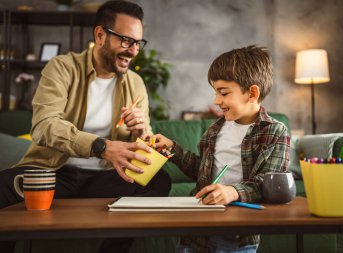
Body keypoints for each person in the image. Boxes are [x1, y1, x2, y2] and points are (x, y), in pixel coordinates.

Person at [0, 1, 171, 252]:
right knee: (3, 185)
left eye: (138, 43)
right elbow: (44, 125)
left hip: (105, 177)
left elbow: (141, 149)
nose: (133, 51)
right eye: (126, 41)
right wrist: (101, 146)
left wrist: (142, 132)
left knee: (159, 181)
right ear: (100, 35)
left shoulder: (135, 83)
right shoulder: (62, 68)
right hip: (55, 173)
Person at [153, 45, 290, 253]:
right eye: (215, 92)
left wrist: (233, 192)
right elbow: (202, 171)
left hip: (238, 235)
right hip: (196, 233)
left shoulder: (274, 132)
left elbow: (267, 185)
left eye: (223, 93)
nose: (217, 101)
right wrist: (172, 149)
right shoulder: (215, 129)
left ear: (252, 93)